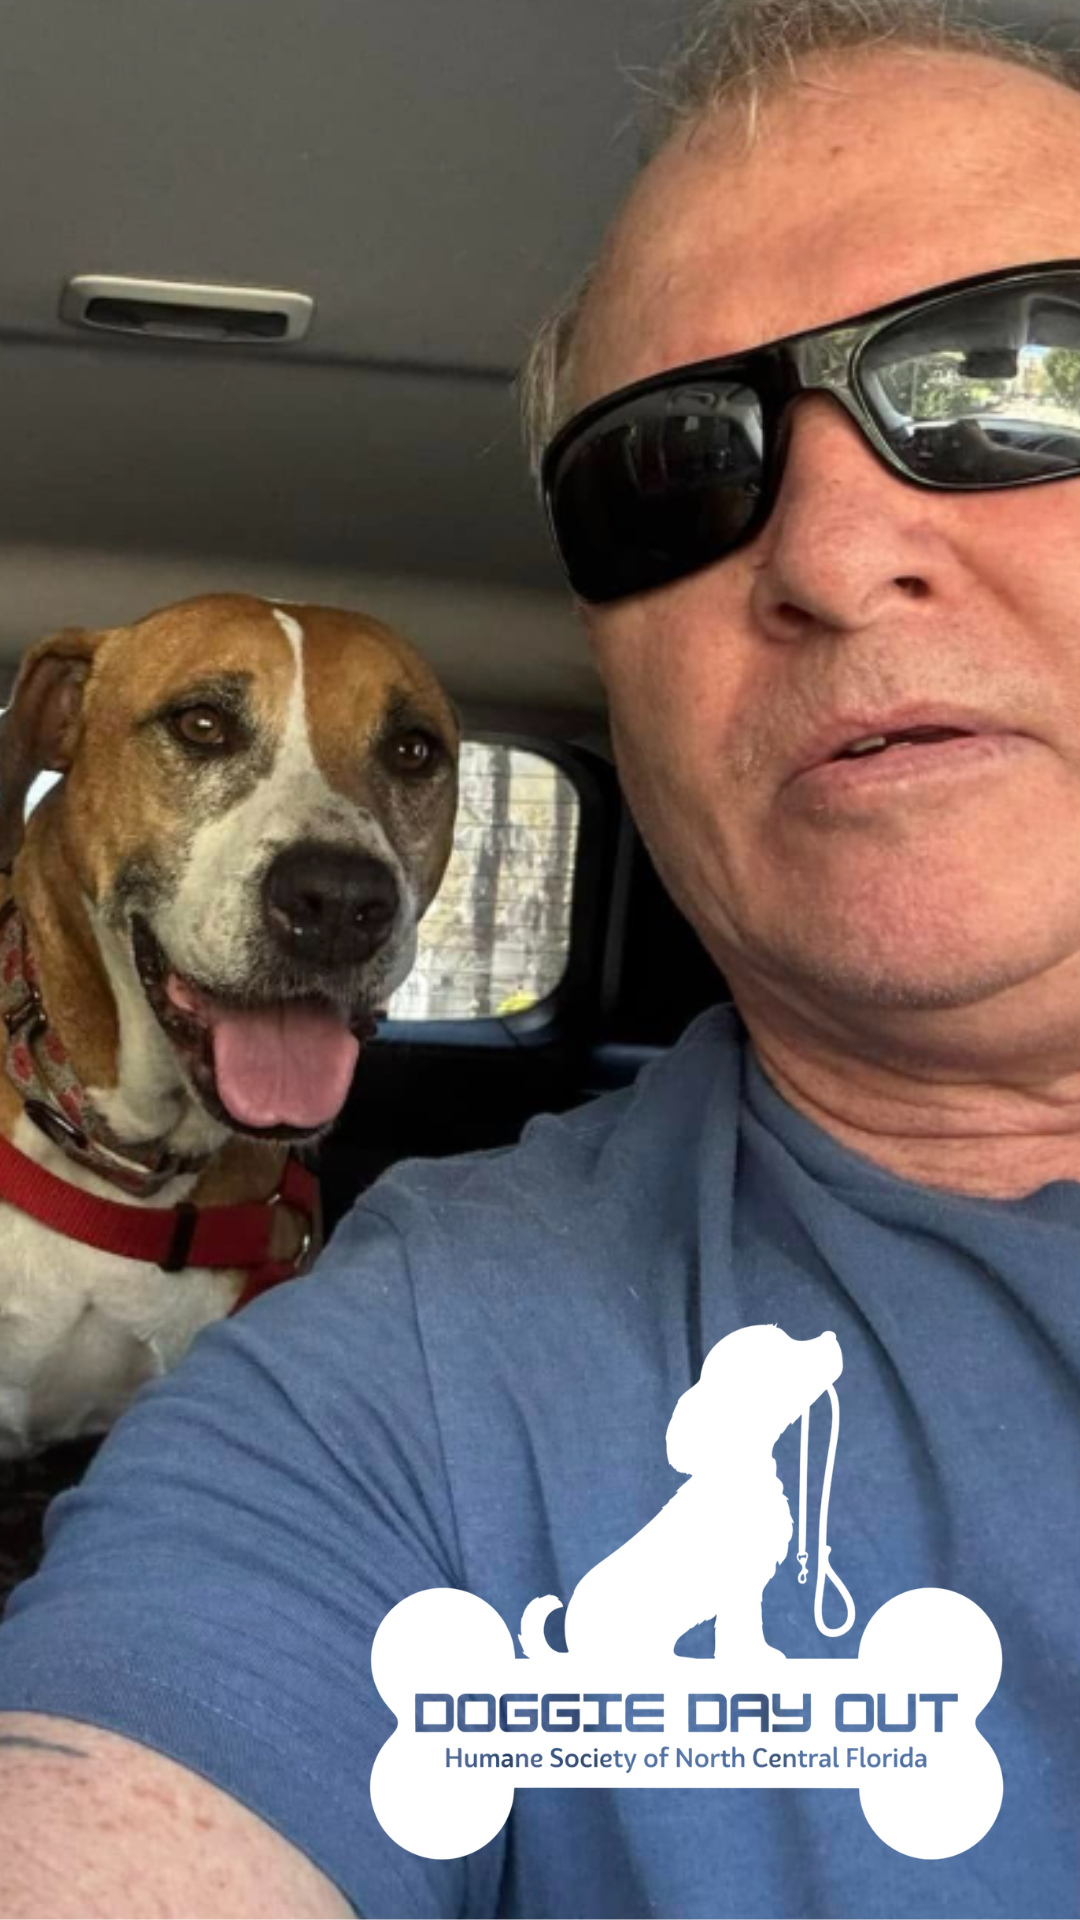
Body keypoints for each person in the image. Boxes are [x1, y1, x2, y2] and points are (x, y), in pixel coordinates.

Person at [2, 1, 1079, 1913]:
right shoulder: (428, 1356)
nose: (834, 551)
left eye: (1019, 379)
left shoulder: (307, 1229)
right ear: (59, 778)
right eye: (668, 467)